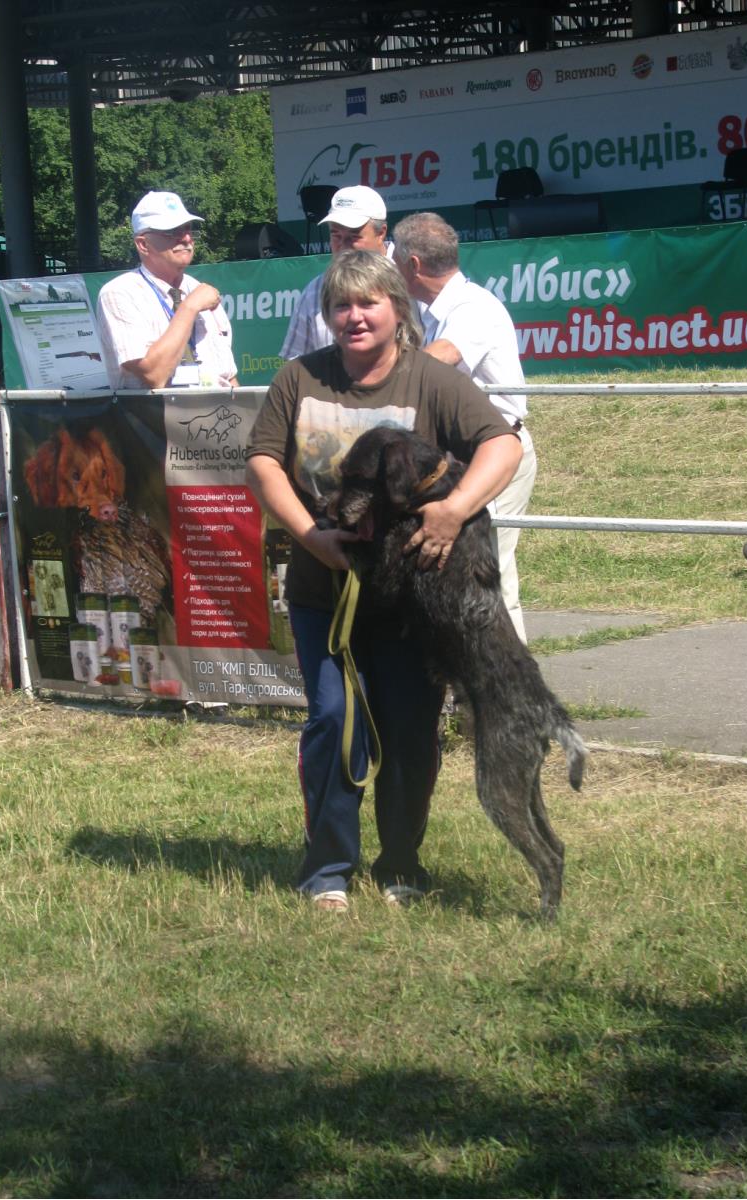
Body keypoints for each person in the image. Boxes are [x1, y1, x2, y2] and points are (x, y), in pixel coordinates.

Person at [247, 251, 522, 911]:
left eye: (368, 302)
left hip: (409, 603)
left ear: (398, 308)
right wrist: (310, 536)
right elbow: (262, 462)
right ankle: (327, 871)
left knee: (410, 727)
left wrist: (454, 510)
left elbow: (503, 444)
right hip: (325, 590)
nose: (355, 316)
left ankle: (401, 862)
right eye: (341, 305)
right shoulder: (298, 378)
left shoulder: (432, 380)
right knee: (333, 720)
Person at [392, 211, 537, 642]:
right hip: (458, 458)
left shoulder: (473, 307)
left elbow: (442, 357)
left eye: (394, 259)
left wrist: (376, 377)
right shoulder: (429, 308)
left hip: (494, 453)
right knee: (462, 572)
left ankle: (513, 678)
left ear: (413, 264)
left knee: (490, 572)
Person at [96, 191, 238, 390]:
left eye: (188, 229)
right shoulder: (119, 293)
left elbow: (229, 377)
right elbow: (154, 376)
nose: (186, 238)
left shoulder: (199, 290)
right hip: (157, 410)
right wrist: (189, 308)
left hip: (220, 408)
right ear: (143, 244)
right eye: (172, 232)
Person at [279, 185, 391, 360]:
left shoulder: (411, 279)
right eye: (336, 235)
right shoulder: (315, 291)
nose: (344, 245)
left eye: (354, 236)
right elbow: (297, 365)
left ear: (381, 233)